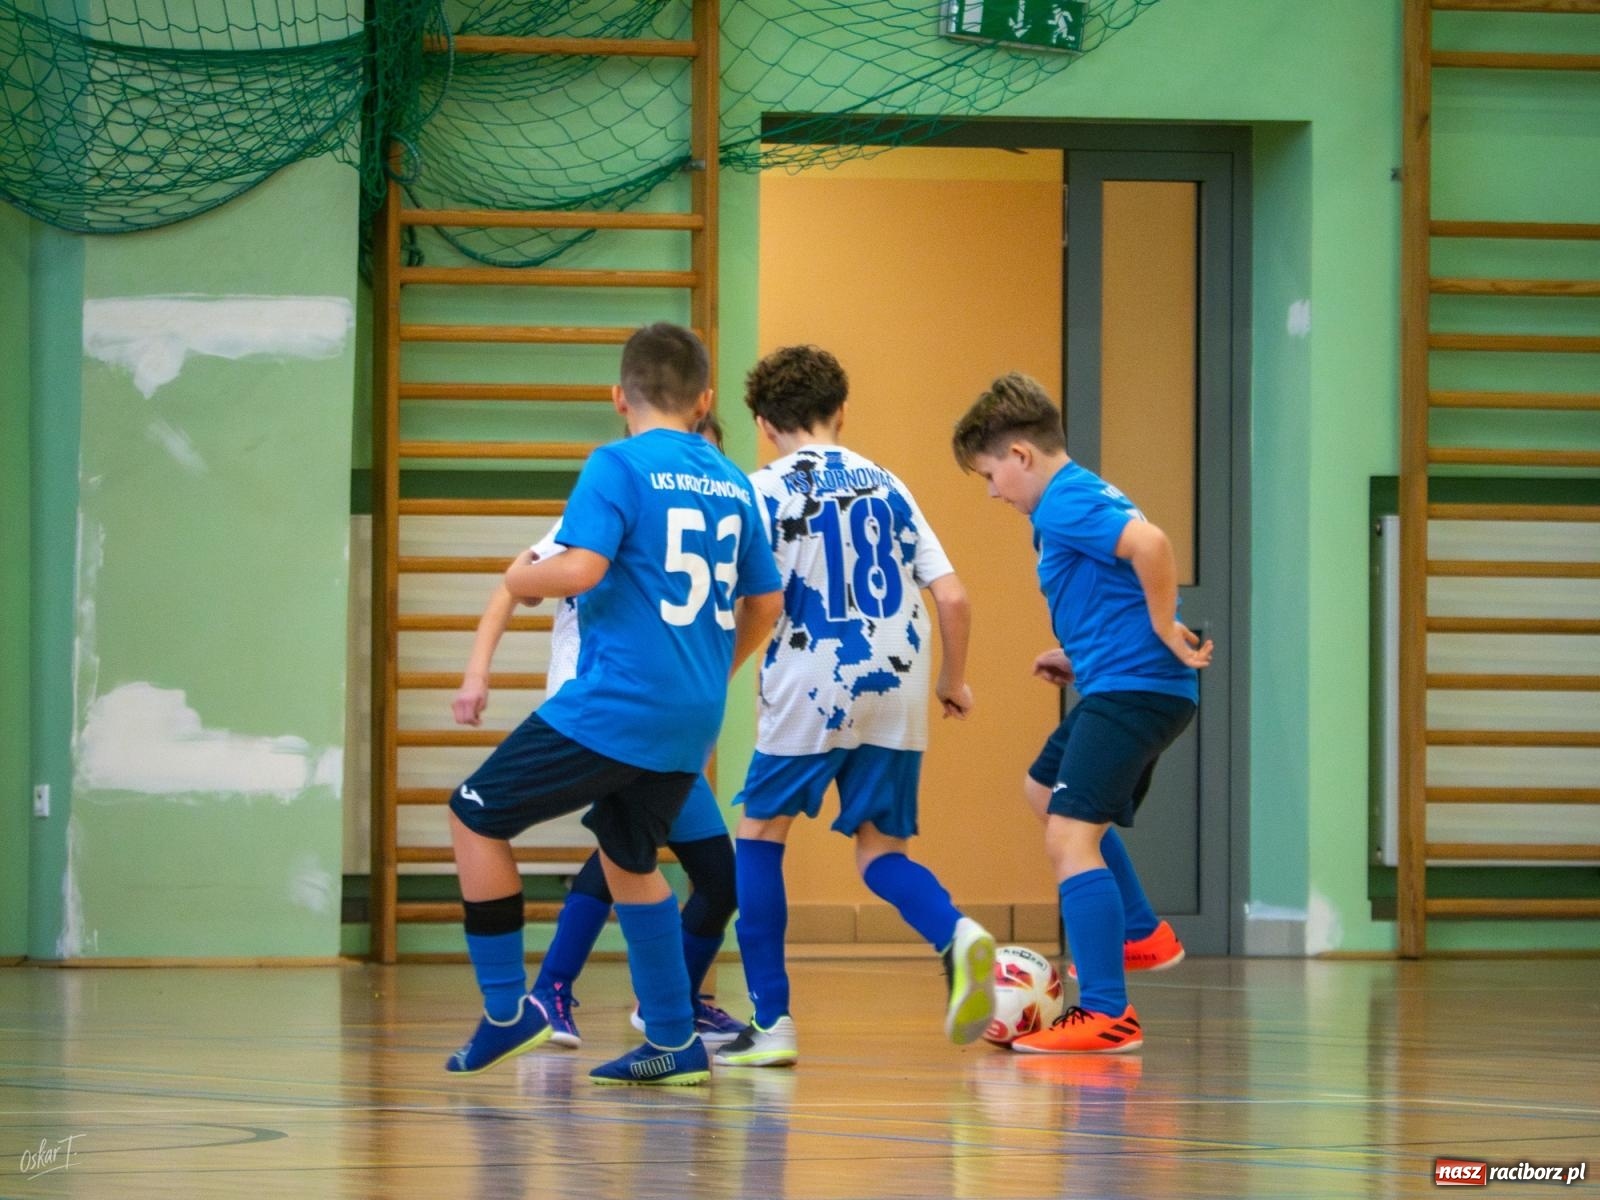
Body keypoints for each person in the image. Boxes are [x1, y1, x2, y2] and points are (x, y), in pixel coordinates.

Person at [444, 323, 783, 1086]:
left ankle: (508, 1010)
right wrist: (710, 675)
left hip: (616, 706)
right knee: (631, 859)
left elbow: (581, 569)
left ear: (617, 397)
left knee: (472, 816)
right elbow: (766, 604)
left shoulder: (617, 464)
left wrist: (517, 577)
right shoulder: (735, 483)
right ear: (704, 400)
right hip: (692, 715)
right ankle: (672, 1037)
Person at [715, 344, 996, 1069]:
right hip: (898, 680)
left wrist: (720, 670)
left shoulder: (760, 490)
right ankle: (956, 933)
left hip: (812, 677)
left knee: (760, 835)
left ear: (763, 423)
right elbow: (953, 597)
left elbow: (757, 599)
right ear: (842, 410)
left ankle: (772, 1022)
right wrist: (953, 681)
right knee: (880, 852)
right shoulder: (890, 483)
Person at [950, 372, 1212, 1054]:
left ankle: (1106, 1013)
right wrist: (1080, 655)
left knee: (1070, 839)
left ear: (1021, 455)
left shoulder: (1063, 502)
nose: (992, 492)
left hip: (1135, 688)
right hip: (1122, 682)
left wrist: (1163, 626)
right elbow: (1112, 585)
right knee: (1043, 789)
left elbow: (1151, 545)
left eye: (990, 475)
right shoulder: (1078, 495)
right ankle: (1141, 933)